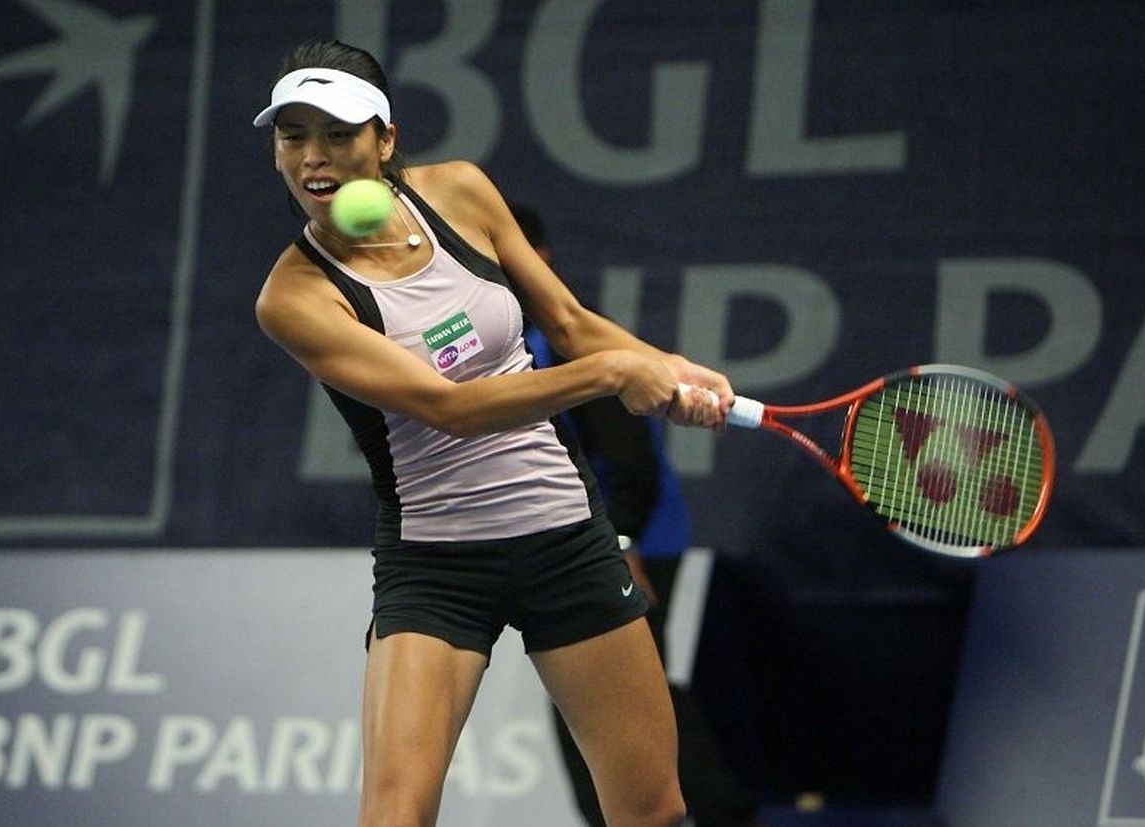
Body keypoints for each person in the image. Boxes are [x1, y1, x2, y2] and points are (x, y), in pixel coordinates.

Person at [251, 40, 735, 827]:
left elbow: (569, 321)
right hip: (435, 566)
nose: (314, 157)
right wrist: (614, 374)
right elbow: (451, 408)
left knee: (652, 810)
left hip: (564, 538)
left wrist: (669, 366)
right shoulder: (295, 298)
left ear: (385, 139)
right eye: (293, 135)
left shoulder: (462, 193)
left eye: (338, 134)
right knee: (394, 817)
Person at [513, 205, 764, 827]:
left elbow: (632, 467)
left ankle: (724, 817)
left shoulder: (572, 349)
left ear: (538, 260)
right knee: (597, 706)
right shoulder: (510, 349)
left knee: (626, 704)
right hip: (584, 544)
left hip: (634, 545)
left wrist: (621, 547)